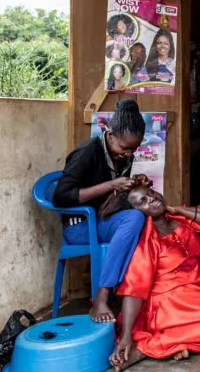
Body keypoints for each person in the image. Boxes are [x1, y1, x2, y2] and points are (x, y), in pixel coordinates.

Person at [104, 184, 200, 371]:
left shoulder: (177, 217)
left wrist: (177, 209)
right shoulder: (147, 240)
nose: (151, 199)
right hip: (172, 299)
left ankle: (180, 344)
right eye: (143, 202)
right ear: (137, 213)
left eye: (151, 193)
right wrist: (127, 334)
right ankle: (145, 349)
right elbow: (135, 289)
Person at [53, 99, 147, 322]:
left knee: (140, 218)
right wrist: (110, 186)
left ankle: (130, 294)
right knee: (134, 220)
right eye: (124, 148)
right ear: (110, 134)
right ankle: (101, 297)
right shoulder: (87, 152)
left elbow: (111, 196)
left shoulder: (123, 154)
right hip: (80, 226)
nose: (128, 154)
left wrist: (133, 183)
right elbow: (61, 197)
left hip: (101, 219)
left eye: (134, 149)